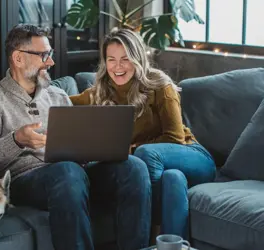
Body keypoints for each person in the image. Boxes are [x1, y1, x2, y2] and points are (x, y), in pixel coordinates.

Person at [0, 24, 151, 250]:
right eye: (43, 55)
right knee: (67, 171)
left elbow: (78, 147)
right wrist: (16, 140)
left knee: (134, 167)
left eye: (50, 55)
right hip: (25, 180)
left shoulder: (58, 96)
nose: (50, 62)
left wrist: (93, 150)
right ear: (18, 58)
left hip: (72, 174)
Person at [69, 28, 216, 240]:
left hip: (192, 156)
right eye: (111, 59)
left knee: (146, 154)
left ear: (137, 58)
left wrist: (131, 149)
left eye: (125, 59)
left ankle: (147, 238)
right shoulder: (100, 91)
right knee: (172, 179)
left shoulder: (159, 85)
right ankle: (170, 245)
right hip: (165, 169)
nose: (117, 67)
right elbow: (63, 103)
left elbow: (175, 137)